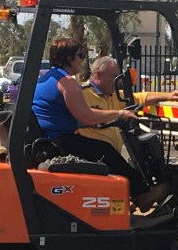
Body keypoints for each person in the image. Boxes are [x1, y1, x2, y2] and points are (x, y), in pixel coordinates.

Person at [32, 37, 169, 211]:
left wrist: (98, 121)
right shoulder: (67, 82)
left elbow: (74, 118)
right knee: (106, 152)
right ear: (69, 58)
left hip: (49, 139)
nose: (82, 60)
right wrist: (120, 113)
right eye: (80, 55)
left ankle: (122, 197)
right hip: (59, 142)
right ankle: (142, 194)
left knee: (100, 150)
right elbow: (86, 116)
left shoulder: (48, 78)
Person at [79, 55, 178, 152]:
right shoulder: (82, 94)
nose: (117, 81)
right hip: (92, 156)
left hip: (111, 154)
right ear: (99, 74)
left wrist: (168, 96)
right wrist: (120, 114)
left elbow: (140, 98)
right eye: (113, 76)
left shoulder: (113, 95)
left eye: (117, 76)